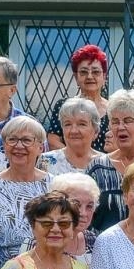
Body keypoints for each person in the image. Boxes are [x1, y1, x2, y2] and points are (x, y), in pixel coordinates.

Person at [0, 115, 52, 269]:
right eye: (12, 140)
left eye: (26, 140)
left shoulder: (54, 185)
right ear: (4, 146)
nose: (18, 146)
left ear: (40, 147)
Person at [41, 97, 121, 234]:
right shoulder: (46, 161)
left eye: (82, 124)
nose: (74, 130)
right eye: (67, 124)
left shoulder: (108, 165)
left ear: (95, 132)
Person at [42, 44, 110, 152]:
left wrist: (96, 160)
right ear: (76, 77)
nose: (90, 76)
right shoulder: (64, 105)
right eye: (83, 72)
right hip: (70, 167)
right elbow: (52, 141)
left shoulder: (113, 110)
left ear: (104, 76)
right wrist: (78, 158)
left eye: (96, 72)